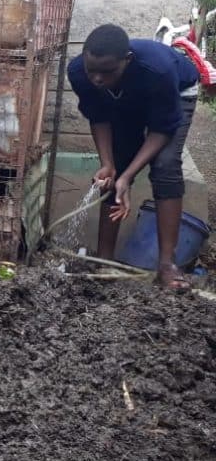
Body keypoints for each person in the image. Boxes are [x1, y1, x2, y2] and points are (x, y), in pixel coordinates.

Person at [67, 24, 199, 290]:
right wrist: (109, 165)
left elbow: (162, 129)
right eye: (92, 70)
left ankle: (166, 265)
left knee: (165, 165)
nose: (97, 79)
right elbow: (99, 116)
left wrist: (128, 177)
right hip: (125, 98)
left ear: (126, 60)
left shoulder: (157, 70)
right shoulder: (80, 72)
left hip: (177, 92)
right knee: (114, 169)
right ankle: (105, 260)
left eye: (106, 71)